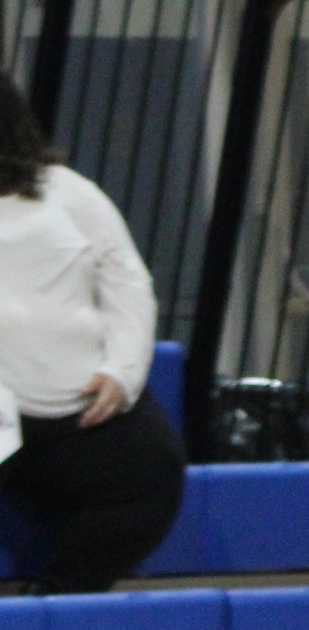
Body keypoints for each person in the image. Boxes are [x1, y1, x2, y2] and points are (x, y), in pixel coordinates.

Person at [0, 72, 182, 595]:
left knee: (150, 471)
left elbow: (128, 282)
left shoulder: (71, 193)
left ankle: (59, 603)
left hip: (78, 408)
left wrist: (121, 374)